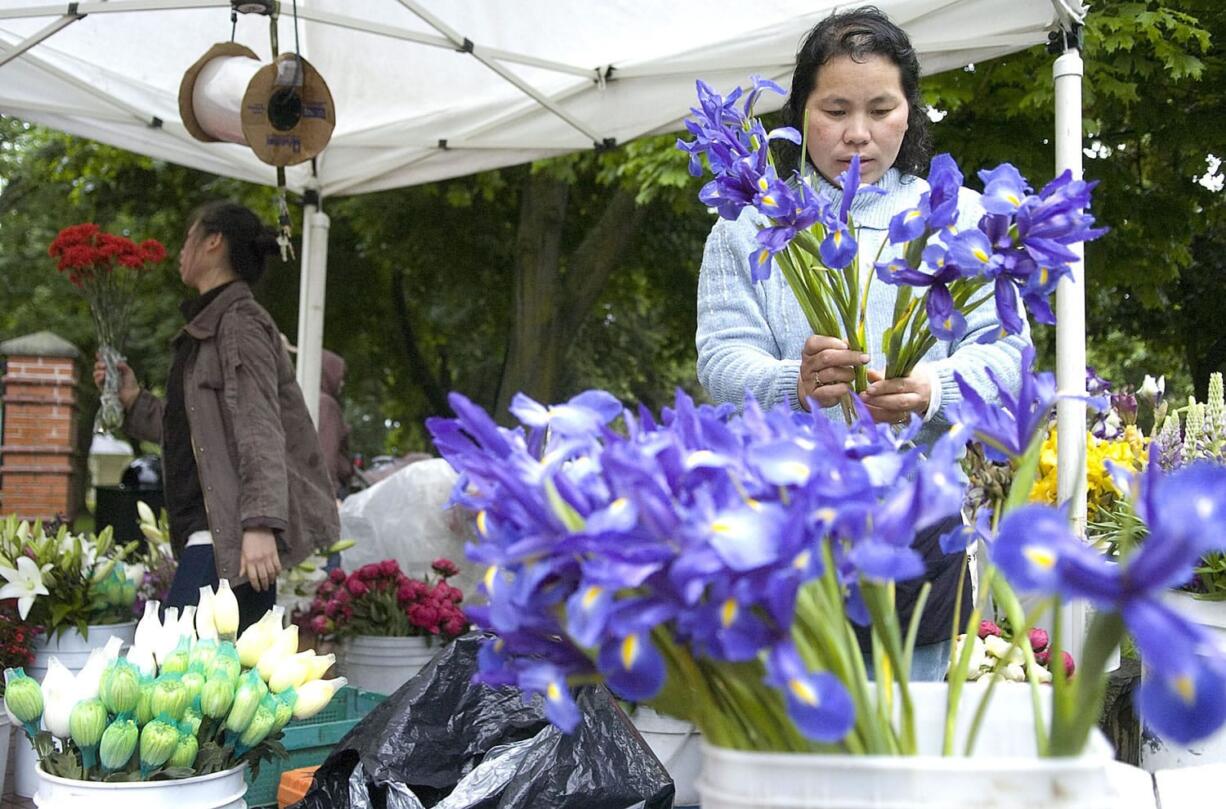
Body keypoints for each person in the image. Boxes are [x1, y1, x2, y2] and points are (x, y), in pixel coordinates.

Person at [694, 6, 1031, 679]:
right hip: (790, 522)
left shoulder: (962, 215)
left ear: (909, 111)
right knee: (801, 731)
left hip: (924, 518)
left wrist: (933, 388)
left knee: (913, 725)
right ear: (799, 112)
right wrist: (792, 380)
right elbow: (721, 358)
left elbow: (1011, 356)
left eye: (880, 108)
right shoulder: (749, 219)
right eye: (834, 109)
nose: (856, 134)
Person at [94, 201, 339, 632]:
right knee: (219, 682)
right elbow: (195, 432)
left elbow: (260, 427)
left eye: (189, 237)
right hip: (216, 535)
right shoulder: (212, 326)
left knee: (169, 665)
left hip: (229, 536)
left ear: (213, 242)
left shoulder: (238, 323)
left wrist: (261, 526)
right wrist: (133, 400)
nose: (180, 251)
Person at [318, 348, 355, 499]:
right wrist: (333, 494)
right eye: (340, 376)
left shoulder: (307, 398)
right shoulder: (327, 405)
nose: (343, 383)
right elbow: (327, 452)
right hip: (332, 488)